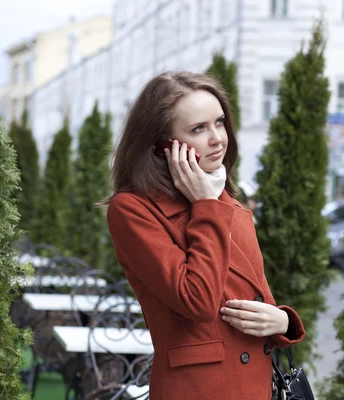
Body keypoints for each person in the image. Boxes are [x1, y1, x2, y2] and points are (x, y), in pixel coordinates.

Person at [105, 71, 305, 400]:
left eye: (219, 122)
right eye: (198, 128)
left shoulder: (231, 207)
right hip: (199, 390)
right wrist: (205, 206)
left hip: (256, 388)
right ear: (162, 146)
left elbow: (254, 301)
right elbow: (197, 300)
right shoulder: (132, 211)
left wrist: (283, 321)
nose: (217, 139)